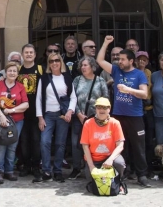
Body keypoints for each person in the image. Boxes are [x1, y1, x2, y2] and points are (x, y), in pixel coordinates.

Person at [95, 36, 151, 187]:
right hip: (118, 116)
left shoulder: (139, 74)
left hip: (135, 116)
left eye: (123, 59)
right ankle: (122, 173)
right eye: (119, 59)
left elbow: (144, 94)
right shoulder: (116, 71)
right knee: (120, 146)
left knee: (139, 147)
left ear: (131, 61)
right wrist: (106, 43)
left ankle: (142, 175)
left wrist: (129, 90)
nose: (120, 62)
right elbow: (100, 60)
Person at [37, 52, 77, 182]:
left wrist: (69, 112)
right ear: (48, 64)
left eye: (57, 60)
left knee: (60, 144)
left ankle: (58, 171)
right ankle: (46, 171)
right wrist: (40, 117)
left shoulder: (67, 77)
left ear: (61, 62)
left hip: (62, 115)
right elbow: (39, 99)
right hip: (48, 115)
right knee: (45, 142)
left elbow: (73, 97)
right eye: (51, 61)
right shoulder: (44, 78)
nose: (54, 63)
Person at [69, 56, 110, 180]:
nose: (83, 67)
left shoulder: (100, 81)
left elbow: (106, 99)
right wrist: (78, 114)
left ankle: (92, 166)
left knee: (94, 143)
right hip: (79, 117)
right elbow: (72, 99)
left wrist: (101, 116)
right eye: (82, 65)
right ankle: (76, 168)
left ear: (92, 67)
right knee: (76, 143)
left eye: (86, 65)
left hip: (95, 119)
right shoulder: (76, 80)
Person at [0, 60, 29, 183]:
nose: (12, 73)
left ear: (17, 74)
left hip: (17, 121)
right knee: (0, 145)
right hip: (1, 120)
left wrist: (12, 110)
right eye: (9, 71)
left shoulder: (20, 87)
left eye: (14, 71)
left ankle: (9, 171)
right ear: (5, 72)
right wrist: (1, 116)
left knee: (12, 145)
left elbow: (26, 104)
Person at [81, 97, 126, 189]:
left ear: (109, 109)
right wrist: (91, 165)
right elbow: (85, 146)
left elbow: (120, 145)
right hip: (94, 158)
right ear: (95, 109)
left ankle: (119, 181)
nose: (101, 110)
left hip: (110, 157)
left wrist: (111, 159)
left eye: (104, 108)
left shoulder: (115, 123)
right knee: (93, 182)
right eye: (99, 107)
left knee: (120, 163)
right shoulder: (88, 123)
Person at [16, 44, 44, 181]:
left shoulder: (40, 69)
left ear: (34, 54)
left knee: (36, 141)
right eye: (26, 52)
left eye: (31, 52)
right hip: (21, 113)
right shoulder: (18, 70)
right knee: (24, 141)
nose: (28, 54)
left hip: (36, 112)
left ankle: (36, 167)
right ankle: (26, 165)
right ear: (22, 54)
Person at [136, 51, 156, 177]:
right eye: (140, 59)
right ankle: (137, 168)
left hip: (148, 109)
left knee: (149, 140)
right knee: (138, 140)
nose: (142, 62)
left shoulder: (149, 74)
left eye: (144, 60)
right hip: (137, 110)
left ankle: (149, 167)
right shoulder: (133, 72)